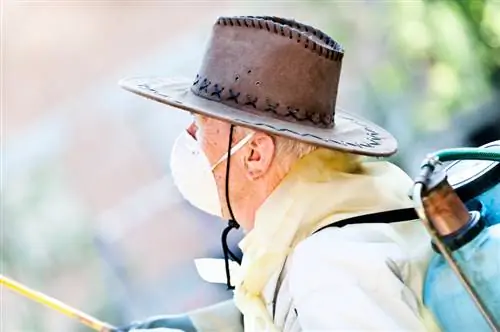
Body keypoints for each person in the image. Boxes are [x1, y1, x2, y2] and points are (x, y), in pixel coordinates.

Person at [118, 15, 441, 332]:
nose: (188, 135)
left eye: (201, 125)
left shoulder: (326, 268)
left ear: (255, 155)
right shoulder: (334, 230)